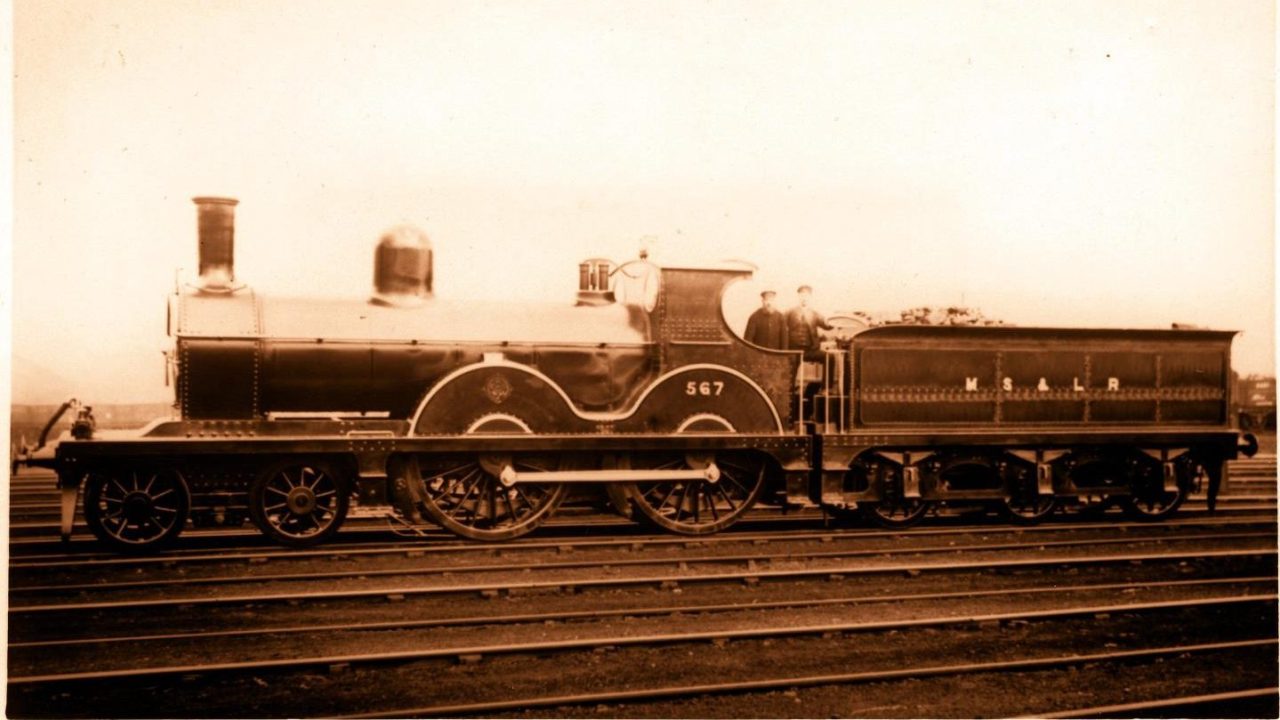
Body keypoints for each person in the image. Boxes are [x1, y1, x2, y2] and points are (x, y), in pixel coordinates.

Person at [785, 285, 832, 360]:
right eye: (802, 295)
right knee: (790, 369)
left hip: (810, 350)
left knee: (829, 358)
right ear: (798, 297)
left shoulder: (814, 314)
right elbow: (780, 325)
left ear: (810, 297)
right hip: (793, 350)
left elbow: (827, 325)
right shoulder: (790, 312)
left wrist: (831, 321)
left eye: (806, 296)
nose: (804, 298)